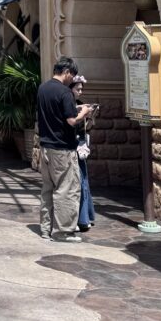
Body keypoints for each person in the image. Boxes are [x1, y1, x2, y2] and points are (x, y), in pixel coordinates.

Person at [37, 56, 93, 242]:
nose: (73, 79)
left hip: (45, 147)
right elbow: (71, 121)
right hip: (63, 149)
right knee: (66, 190)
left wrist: (75, 109)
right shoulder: (65, 92)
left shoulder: (43, 88)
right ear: (67, 72)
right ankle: (62, 232)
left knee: (47, 189)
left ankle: (46, 229)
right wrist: (83, 113)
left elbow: (53, 114)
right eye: (73, 76)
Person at [71, 75, 96, 232]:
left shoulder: (80, 104)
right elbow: (71, 123)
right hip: (71, 145)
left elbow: (88, 126)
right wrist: (81, 115)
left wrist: (90, 117)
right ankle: (80, 219)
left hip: (81, 144)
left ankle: (85, 217)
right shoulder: (68, 105)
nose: (80, 92)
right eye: (77, 89)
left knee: (83, 179)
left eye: (81, 89)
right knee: (78, 181)